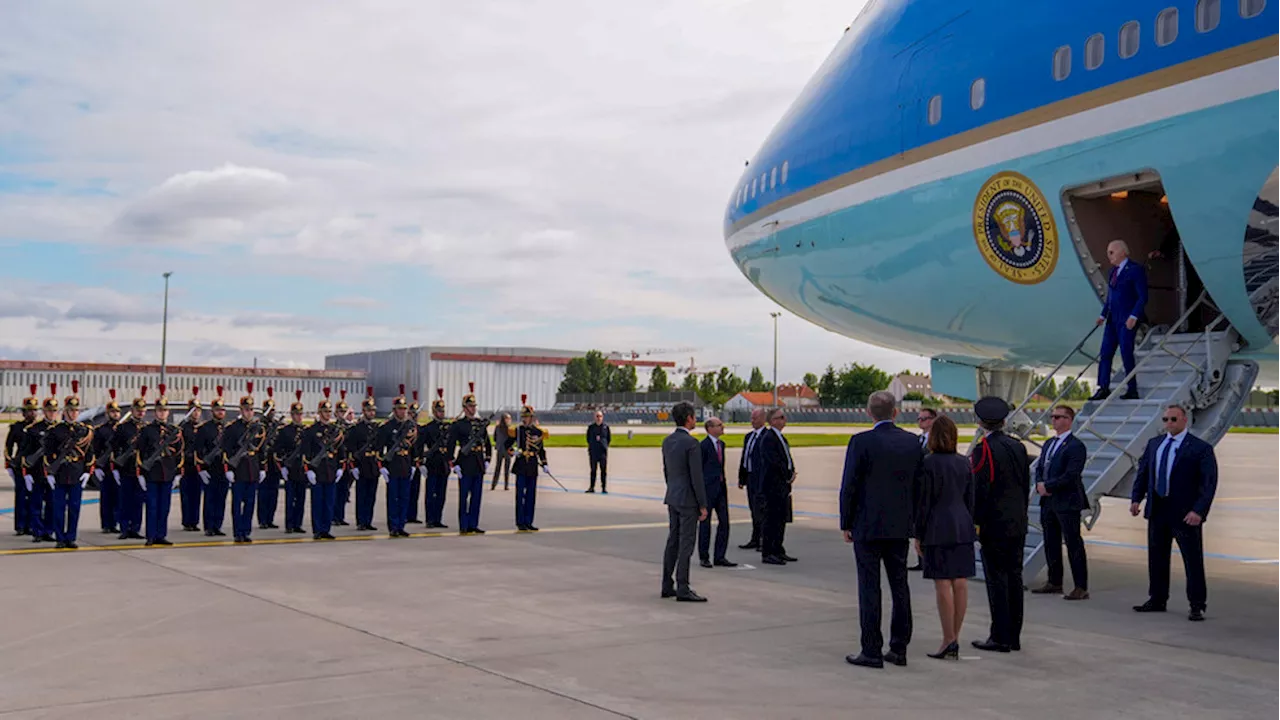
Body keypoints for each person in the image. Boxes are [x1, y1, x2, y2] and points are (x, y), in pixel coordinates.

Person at [840, 391, 923, 669]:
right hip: (900, 525)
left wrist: (846, 522)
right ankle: (899, 648)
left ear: (868, 413)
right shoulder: (912, 442)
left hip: (867, 524)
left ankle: (871, 649)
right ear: (895, 412)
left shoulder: (861, 441)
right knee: (900, 586)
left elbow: (849, 485)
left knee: (869, 587)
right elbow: (918, 487)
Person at [1130, 404, 1217, 621]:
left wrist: (1199, 511)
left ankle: (1197, 604)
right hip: (1158, 510)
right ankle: (1157, 598)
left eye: (1173, 420)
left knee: (1192, 560)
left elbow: (1208, 483)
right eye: (1166, 420)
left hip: (1185, 513)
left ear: (1184, 420)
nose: (1169, 424)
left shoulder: (1200, 448)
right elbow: (1143, 474)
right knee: (1157, 558)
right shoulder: (1155, 444)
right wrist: (1135, 498)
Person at [970, 397, 1031, 653]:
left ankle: (1000, 636)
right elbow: (1024, 484)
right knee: (1014, 578)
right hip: (1017, 520)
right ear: (1005, 421)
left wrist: (975, 521)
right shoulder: (1017, 447)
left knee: (997, 581)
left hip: (994, 524)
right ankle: (1014, 635)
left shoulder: (983, 450)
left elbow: (980, 489)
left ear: (979, 421)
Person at [915, 415, 976, 661]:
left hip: (937, 526)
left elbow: (923, 502)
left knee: (942, 583)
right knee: (960, 582)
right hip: (962, 524)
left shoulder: (928, 464)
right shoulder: (964, 463)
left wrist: (918, 533)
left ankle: (947, 638)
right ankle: (955, 636)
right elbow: (970, 499)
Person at [1031, 405, 1090, 600]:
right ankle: (1054, 581)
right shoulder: (1049, 443)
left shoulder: (1075, 446)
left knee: (1073, 543)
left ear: (1069, 420)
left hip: (1066, 501)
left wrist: (1049, 485)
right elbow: (1040, 466)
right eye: (1053, 416)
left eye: (1059, 417)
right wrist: (1040, 482)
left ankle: (1081, 586)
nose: (1054, 420)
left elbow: (1072, 474)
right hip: (1048, 501)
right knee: (1051, 542)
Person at [661, 401, 709, 602]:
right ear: (689, 418)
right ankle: (683, 586)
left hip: (673, 495)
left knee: (673, 540)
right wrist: (703, 504)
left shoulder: (668, 441)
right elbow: (696, 476)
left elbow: (667, 471)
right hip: (688, 499)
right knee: (686, 544)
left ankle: (667, 584)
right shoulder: (691, 444)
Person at [1093, 239, 1148, 401]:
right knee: (1105, 353)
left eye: (1112, 252)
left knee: (1126, 352)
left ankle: (1132, 388)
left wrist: (1134, 316)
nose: (1108, 255)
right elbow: (1110, 298)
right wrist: (1103, 315)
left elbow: (1143, 296)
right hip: (1112, 319)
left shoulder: (1135, 270)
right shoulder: (1112, 272)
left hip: (1126, 319)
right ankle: (1103, 387)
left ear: (1123, 252)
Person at [44, 382, 94, 550]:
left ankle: (70, 537)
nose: (73, 413)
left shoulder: (85, 431)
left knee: (74, 508)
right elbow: (47, 453)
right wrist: (49, 473)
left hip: (76, 473)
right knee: (59, 508)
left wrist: (88, 471)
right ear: (65, 411)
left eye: (76, 410)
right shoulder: (55, 430)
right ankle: (59, 537)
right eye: (71, 410)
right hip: (59, 473)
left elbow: (89, 453)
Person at [136, 385, 182, 547]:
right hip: (152, 473)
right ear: (155, 411)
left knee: (164, 508)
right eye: (159, 410)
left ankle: (161, 535)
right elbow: (139, 452)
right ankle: (151, 535)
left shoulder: (174, 431)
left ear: (168, 412)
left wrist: (178, 473)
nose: (162, 413)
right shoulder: (147, 430)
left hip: (167, 473)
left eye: (165, 410)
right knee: (152, 507)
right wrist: (140, 472)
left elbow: (179, 453)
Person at [221, 384, 265, 544]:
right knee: (237, 504)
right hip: (238, 470)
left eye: (251, 409)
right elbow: (225, 450)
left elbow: (262, 450)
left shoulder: (258, 428)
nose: (249, 412)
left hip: (252, 469)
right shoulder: (232, 428)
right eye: (246, 409)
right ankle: (237, 532)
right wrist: (228, 469)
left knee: (250, 504)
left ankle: (246, 531)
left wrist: (262, 468)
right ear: (241, 410)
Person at [449, 382, 492, 535]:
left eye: (474, 406)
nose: (473, 409)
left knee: (476, 497)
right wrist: (454, 464)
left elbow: (487, 443)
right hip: (465, 464)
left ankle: (474, 523)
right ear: (464, 408)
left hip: (478, 463)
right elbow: (451, 445)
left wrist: (487, 459)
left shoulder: (480, 424)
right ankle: (464, 524)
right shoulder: (458, 425)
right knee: (464, 497)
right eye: (471, 406)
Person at [19, 385, 60, 543]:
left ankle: (48, 531)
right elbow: (24, 452)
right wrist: (26, 473)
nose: (52, 413)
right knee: (36, 503)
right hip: (36, 472)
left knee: (51, 504)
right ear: (44, 411)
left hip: (52, 473)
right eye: (49, 410)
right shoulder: (33, 429)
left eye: (54, 410)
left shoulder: (60, 429)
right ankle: (37, 531)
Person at [376, 389, 417, 537]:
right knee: (393, 498)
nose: (403, 411)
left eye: (404, 409)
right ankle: (393, 526)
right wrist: (382, 467)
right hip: (392, 466)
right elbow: (379, 449)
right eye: (400, 409)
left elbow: (413, 448)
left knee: (405, 497)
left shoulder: (410, 426)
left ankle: (401, 525)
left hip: (405, 465)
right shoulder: (387, 427)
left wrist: (413, 465)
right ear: (394, 410)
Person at [303, 388, 343, 540]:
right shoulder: (311, 431)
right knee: (318, 502)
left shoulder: (335, 430)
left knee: (329, 503)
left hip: (330, 470)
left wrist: (340, 468)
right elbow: (305, 452)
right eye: (325, 411)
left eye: (329, 411)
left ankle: (326, 528)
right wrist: (308, 470)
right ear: (319, 413)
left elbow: (341, 451)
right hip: (317, 470)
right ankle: (317, 529)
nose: (328, 414)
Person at [758, 408, 797, 566]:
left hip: (782, 485)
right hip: (773, 485)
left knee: (781, 519)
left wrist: (791, 471)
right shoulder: (768, 438)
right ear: (772, 421)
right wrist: (787, 474)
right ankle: (768, 552)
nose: (783, 419)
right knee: (771, 519)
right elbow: (774, 462)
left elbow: (786, 458)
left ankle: (778, 549)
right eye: (780, 417)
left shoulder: (781, 438)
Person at [698, 417, 736, 568]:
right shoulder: (703, 446)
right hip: (708, 490)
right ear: (710, 428)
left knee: (725, 522)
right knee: (705, 524)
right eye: (719, 425)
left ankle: (720, 556)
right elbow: (699, 470)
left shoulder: (722, 445)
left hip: (721, 488)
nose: (722, 427)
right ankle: (704, 556)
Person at [112, 388, 148, 541]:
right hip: (126, 468)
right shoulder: (122, 427)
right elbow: (114, 448)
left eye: (143, 410)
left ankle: (136, 528)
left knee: (139, 501)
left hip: (140, 470)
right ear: (132, 410)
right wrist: (115, 467)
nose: (140, 413)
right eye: (138, 410)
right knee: (125, 500)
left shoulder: (147, 428)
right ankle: (124, 528)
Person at [347, 386, 383, 532]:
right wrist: (353, 466)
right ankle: (361, 521)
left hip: (373, 465)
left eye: (373, 410)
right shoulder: (356, 429)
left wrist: (380, 465)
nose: (372, 413)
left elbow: (380, 448)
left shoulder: (377, 428)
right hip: (361, 465)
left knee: (371, 496)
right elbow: (351, 449)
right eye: (369, 410)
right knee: (361, 495)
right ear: (363, 411)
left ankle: (368, 520)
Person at [194, 386, 229, 538]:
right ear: (212, 411)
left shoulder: (228, 428)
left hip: (224, 468)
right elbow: (198, 450)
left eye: (222, 410)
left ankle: (218, 525)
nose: (220, 412)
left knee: (221, 499)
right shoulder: (204, 429)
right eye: (217, 410)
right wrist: (200, 469)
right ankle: (209, 526)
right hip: (209, 468)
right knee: (210, 499)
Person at [6, 385, 40, 537]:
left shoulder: (39, 428)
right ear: (24, 412)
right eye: (29, 410)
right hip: (20, 466)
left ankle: (33, 525)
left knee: (35, 497)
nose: (32, 413)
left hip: (36, 466)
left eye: (34, 410)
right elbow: (8, 447)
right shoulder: (17, 428)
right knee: (21, 496)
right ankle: (20, 525)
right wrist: (9, 464)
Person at [511, 397, 549, 531]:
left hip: (532, 465)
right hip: (521, 465)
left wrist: (544, 463)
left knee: (531, 496)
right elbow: (506, 446)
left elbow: (541, 449)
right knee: (520, 495)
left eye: (527, 416)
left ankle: (529, 521)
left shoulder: (537, 432)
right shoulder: (518, 431)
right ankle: (520, 521)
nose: (525, 419)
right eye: (523, 416)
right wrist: (513, 451)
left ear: (532, 418)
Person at [909, 407, 939, 572]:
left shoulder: (936, 440)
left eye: (924, 419)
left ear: (933, 420)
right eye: (919, 419)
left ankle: (928, 560)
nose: (921, 422)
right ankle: (921, 561)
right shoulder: (918, 440)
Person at [419, 389, 453, 529]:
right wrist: (421, 462)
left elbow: (450, 445)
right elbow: (421, 446)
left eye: (443, 410)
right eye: (439, 411)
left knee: (441, 494)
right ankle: (430, 519)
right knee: (431, 494)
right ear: (434, 412)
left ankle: (438, 518)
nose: (442, 413)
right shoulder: (428, 428)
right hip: (432, 463)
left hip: (443, 464)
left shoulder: (448, 427)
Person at [276, 391, 309, 534]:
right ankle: (289, 524)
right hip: (290, 468)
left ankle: (298, 524)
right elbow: (277, 451)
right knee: (290, 499)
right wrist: (282, 467)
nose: (299, 416)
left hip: (302, 468)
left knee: (301, 499)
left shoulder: (307, 431)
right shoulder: (285, 431)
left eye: (300, 414)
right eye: (296, 414)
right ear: (292, 415)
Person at [90, 389, 121, 535]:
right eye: (112, 412)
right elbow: (95, 450)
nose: (115, 414)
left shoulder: (121, 429)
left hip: (118, 467)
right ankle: (106, 524)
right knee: (106, 497)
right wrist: (96, 466)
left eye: (117, 412)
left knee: (118, 497)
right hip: (105, 467)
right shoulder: (101, 430)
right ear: (107, 414)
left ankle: (115, 522)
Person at [737, 409, 767, 550]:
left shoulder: (767, 436)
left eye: (755, 418)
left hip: (761, 479)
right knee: (753, 509)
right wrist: (742, 477)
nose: (752, 420)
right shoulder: (748, 436)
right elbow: (745, 457)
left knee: (761, 510)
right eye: (751, 418)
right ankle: (755, 538)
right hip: (750, 478)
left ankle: (763, 539)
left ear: (763, 419)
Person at [178, 387, 204, 532]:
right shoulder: (184, 427)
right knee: (186, 495)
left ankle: (194, 521)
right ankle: (187, 521)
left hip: (198, 466)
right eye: (194, 410)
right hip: (187, 466)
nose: (196, 413)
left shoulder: (202, 428)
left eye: (198, 411)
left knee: (196, 495)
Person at [256, 388, 282, 530]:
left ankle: (270, 519)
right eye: (268, 410)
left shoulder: (276, 425)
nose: (271, 413)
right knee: (263, 493)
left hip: (274, 463)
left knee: (274, 493)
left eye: (273, 410)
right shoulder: (259, 425)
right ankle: (262, 520)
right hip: (262, 463)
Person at [333, 390, 354, 527]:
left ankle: (340, 516)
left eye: (345, 411)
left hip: (346, 464)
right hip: (334, 464)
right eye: (341, 412)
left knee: (343, 492)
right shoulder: (333, 428)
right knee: (334, 492)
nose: (343, 414)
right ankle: (333, 516)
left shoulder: (350, 428)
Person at [406, 391, 424, 523]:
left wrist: (422, 461)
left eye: (416, 414)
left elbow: (422, 447)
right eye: (413, 414)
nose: (415, 416)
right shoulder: (406, 428)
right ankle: (405, 514)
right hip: (407, 463)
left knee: (416, 490)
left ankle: (413, 515)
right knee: (406, 491)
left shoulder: (420, 429)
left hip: (417, 463)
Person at [586, 411, 611, 493]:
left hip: (602, 452)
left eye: (600, 416)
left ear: (602, 417)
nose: (598, 418)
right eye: (597, 416)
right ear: (594, 417)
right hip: (593, 452)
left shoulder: (605, 427)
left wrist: (604, 446)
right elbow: (588, 438)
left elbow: (608, 439)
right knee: (593, 470)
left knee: (603, 470)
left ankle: (604, 487)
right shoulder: (591, 427)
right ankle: (591, 487)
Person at [491, 412, 514, 491]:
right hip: (506, 450)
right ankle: (506, 485)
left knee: (498, 468)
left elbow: (494, 438)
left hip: (500, 449)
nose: (510, 420)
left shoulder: (497, 427)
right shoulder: (509, 428)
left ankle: (493, 484)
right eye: (508, 418)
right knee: (506, 469)